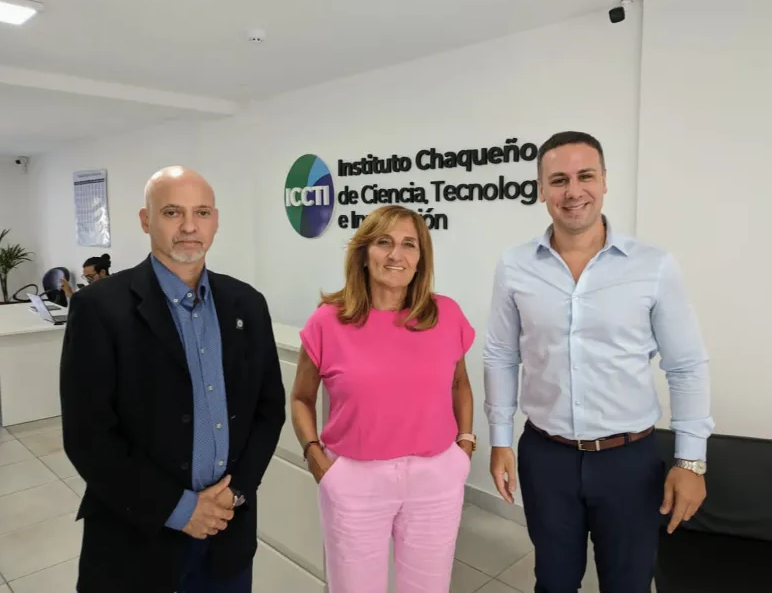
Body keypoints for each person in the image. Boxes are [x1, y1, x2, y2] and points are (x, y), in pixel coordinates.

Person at [483, 131, 713, 593]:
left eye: (585, 176)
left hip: (629, 461)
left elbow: (686, 365)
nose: (573, 191)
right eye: (559, 180)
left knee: (628, 584)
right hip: (546, 457)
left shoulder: (653, 266)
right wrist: (500, 439)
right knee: (553, 581)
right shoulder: (514, 266)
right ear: (541, 190)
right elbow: (502, 354)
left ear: (604, 181)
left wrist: (691, 462)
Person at [60, 165, 286, 593]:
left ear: (215, 221)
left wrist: (236, 492)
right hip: (136, 540)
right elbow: (88, 436)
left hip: (227, 536)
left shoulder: (247, 304)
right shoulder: (99, 309)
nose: (188, 226)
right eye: (171, 212)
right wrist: (180, 510)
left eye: (201, 213)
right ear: (146, 220)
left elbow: (268, 410)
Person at [290, 204, 476, 593]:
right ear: (363, 253)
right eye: (384, 242)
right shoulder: (328, 320)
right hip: (355, 481)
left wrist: (464, 445)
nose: (396, 254)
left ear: (421, 259)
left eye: (409, 244)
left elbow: (460, 383)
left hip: (436, 479)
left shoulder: (446, 314)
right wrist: (316, 458)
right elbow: (302, 398)